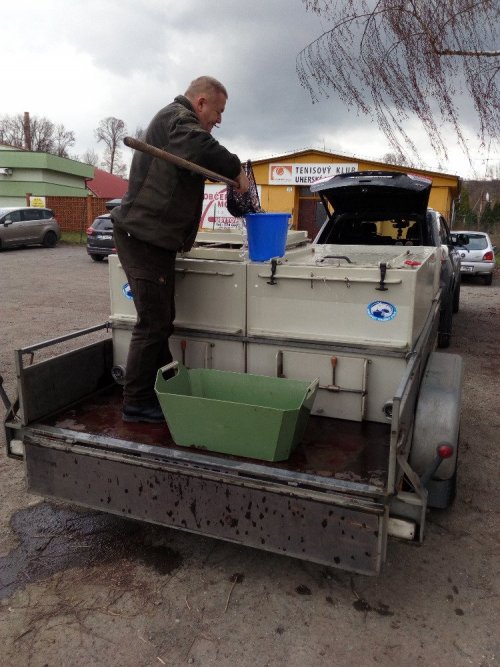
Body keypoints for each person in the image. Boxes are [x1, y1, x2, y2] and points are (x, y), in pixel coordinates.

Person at [111, 76, 249, 423]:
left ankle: (161, 390)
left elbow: (194, 158)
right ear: (200, 102)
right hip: (142, 238)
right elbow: (200, 147)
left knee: (161, 321)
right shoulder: (176, 119)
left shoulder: (178, 127)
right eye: (217, 111)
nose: (218, 120)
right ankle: (136, 402)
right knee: (153, 323)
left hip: (154, 240)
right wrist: (235, 168)